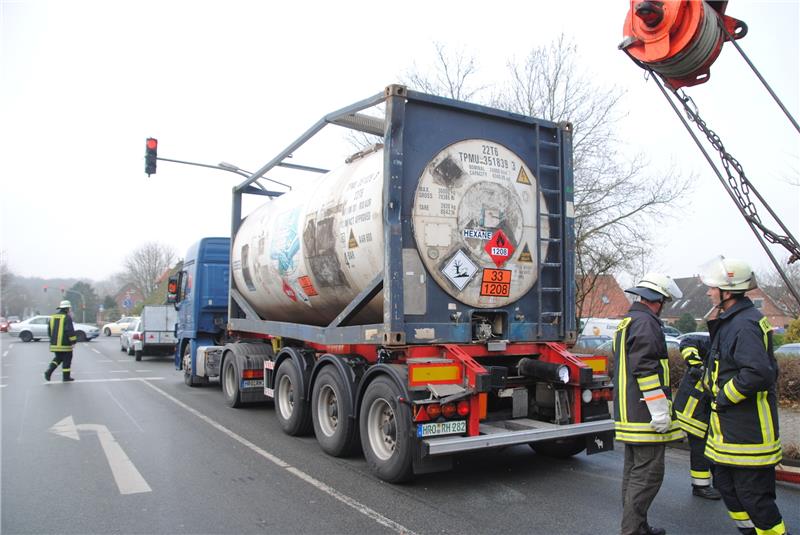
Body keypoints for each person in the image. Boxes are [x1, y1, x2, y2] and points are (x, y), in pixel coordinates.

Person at [700, 256, 786, 535]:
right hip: (730, 433)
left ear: (727, 292)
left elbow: (758, 373)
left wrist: (722, 397)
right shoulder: (733, 320)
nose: (708, 292)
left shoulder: (744, 324)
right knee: (727, 487)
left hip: (749, 434)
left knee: (755, 499)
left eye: (712, 288)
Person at [614, 273, 685, 535]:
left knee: (634, 474)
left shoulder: (629, 321)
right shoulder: (646, 323)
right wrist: (659, 411)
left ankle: (638, 526)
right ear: (658, 300)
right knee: (647, 477)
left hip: (630, 412)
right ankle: (632, 531)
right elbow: (645, 369)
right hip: (645, 416)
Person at [673, 335, 722, 500]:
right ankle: (700, 486)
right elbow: (687, 342)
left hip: (707, 407)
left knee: (712, 445)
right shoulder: (713, 343)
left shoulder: (729, 347)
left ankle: (719, 483)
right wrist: (695, 364)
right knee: (701, 447)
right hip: (692, 407)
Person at [44, 300, 77, 382]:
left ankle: (49, 371)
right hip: (65, 345)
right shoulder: (67, 317)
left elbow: (49, 331)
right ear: (66, 309)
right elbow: (69, 330)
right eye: (69, 308)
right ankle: (66, 377)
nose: (69, 310)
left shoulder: (52, 317)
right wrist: (73, 341)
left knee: (58, 358)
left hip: (54, 344)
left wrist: (52, 340)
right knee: (67, 360)